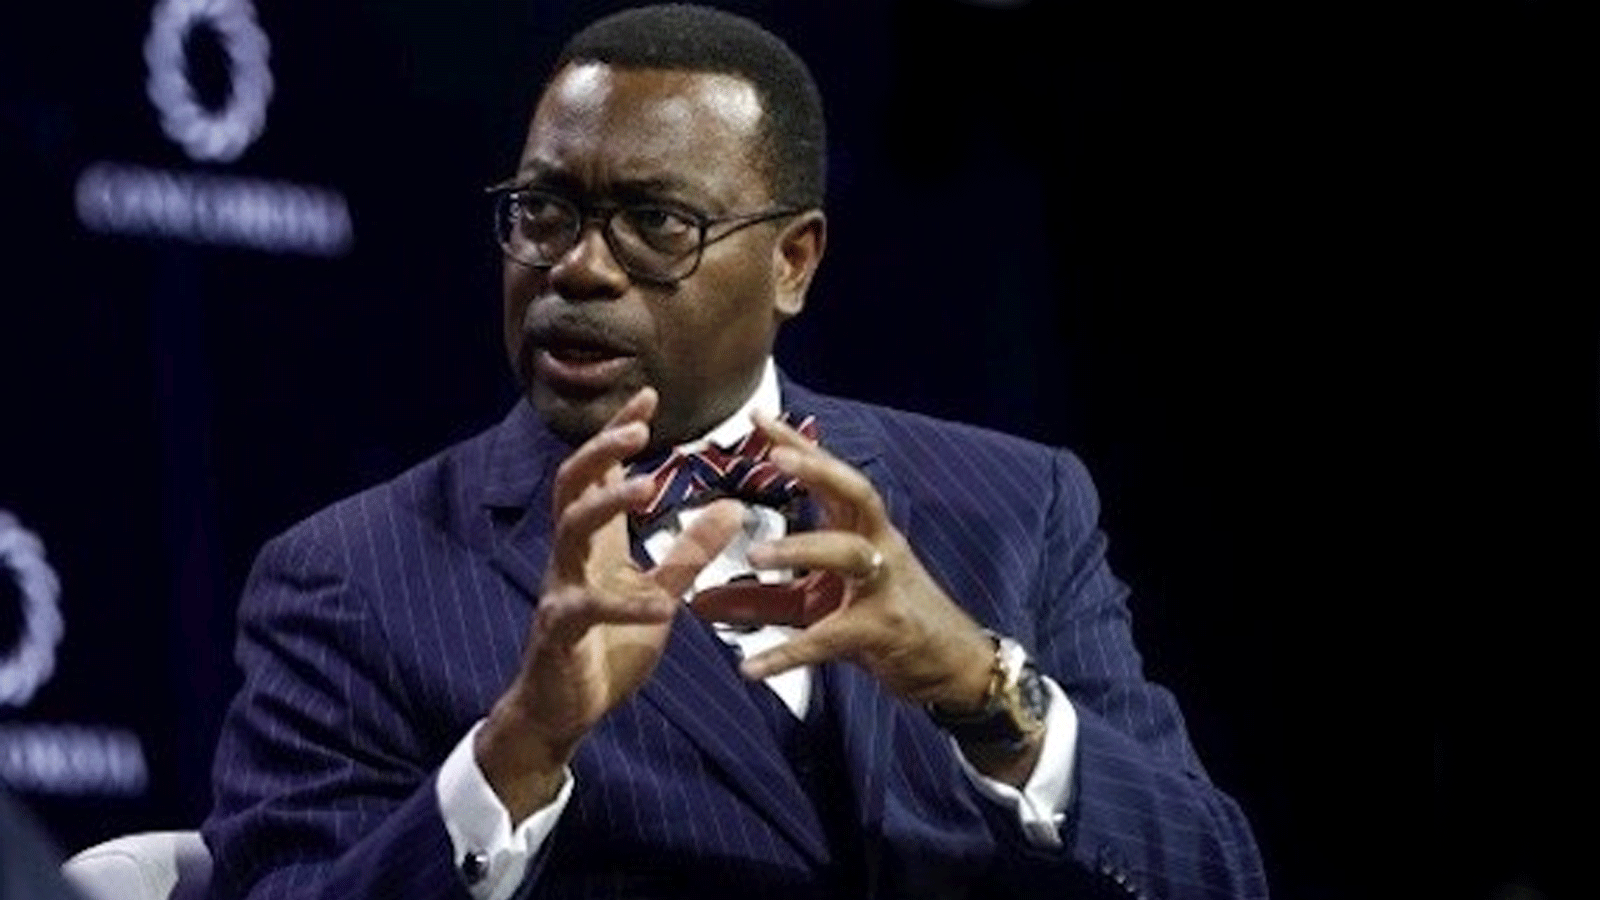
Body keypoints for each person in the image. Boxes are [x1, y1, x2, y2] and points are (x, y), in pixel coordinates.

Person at [202, 5, 1267, 898]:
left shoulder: (1015, 504)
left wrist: (980, 686)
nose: (578, 268)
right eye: (543, 211)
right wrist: (516, 752)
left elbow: (1213, 873)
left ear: (792, 262)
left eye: (656, 222)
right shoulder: (349, 579)